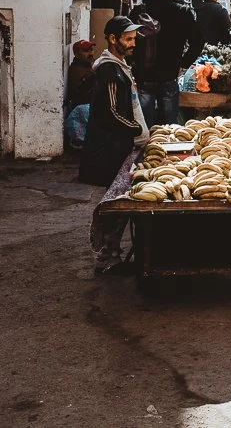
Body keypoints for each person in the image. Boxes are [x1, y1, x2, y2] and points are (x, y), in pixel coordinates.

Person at [82, 16, 149, 275]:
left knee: (120, 201)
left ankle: (112, 254)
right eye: (128, 39)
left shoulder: (120, 65)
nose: (133, 44)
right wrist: (135, 129)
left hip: (121, 143)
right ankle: (107, 257)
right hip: (111, 147)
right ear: (112, 39)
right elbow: (111, 111)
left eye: (133, 39)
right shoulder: (109, 70)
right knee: (115, 204)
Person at [130, 0, 203, 125]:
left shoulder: (139, 11)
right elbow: (198, 42)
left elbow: (126, 41)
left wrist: (131, 65)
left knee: (144, 124)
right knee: (170, 126)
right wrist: (183, 64)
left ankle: (146, 146)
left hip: (144, 75)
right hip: (169, 73)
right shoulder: (182, 11)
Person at [63, 40, 96, 150]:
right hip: (82, 105)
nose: (90, 53)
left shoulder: (88, 66)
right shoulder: (78, 69)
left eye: (91, 49)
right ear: (77, 53)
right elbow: (82, 93)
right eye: (86, 50)